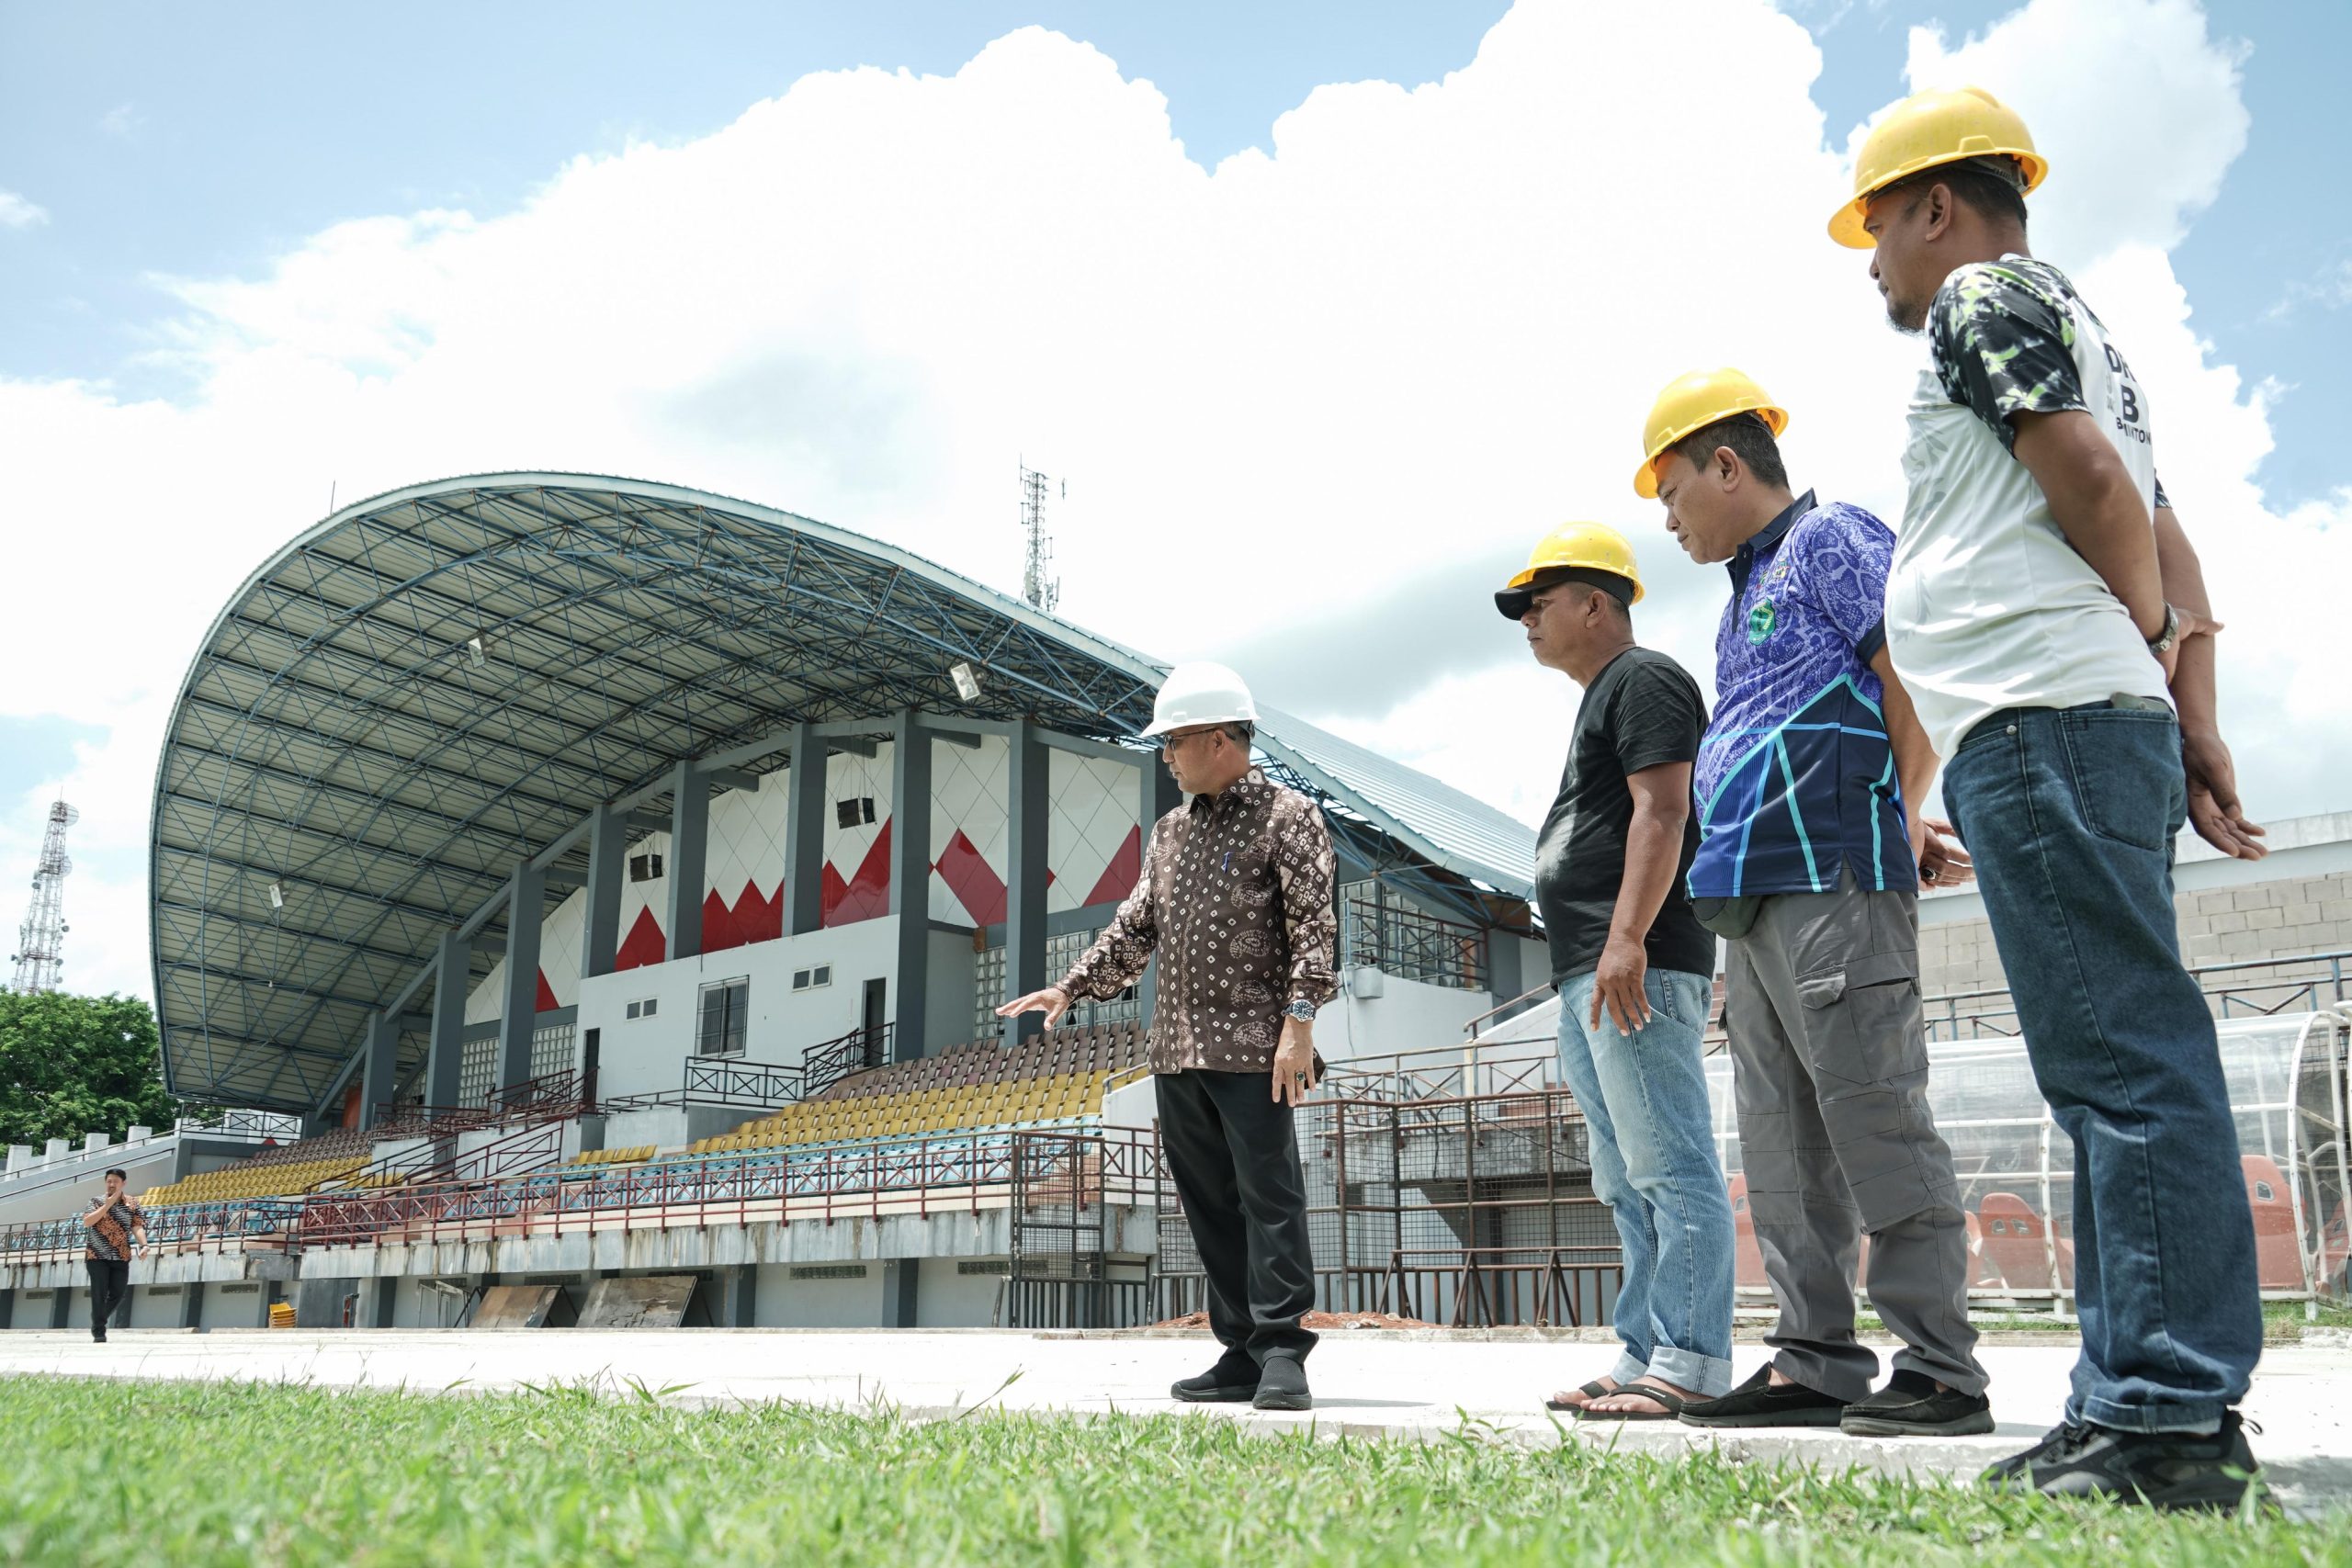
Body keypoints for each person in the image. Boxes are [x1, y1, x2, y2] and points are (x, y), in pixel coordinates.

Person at [1833, 85, 2267, 1506]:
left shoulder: (1983, 299)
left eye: (1879, 230)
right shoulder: (2083, 335)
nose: (1876, 263)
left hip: (2047, 718)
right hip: (2084, 720)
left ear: (1936, 207)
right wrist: (2187, 712)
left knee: (2123, 1062)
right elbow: (2168, 533)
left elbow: (2093, 487)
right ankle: (2134, 1393)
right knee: (2112, 1062)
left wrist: (2135, 649)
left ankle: (2164, 1415)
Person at [1634, 370, 1991, 1438]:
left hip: (1832, 877)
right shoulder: (1742, 594)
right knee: (1781, 1142)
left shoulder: (1831, 538)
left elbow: (1909, 677)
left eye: (1671, 490)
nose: (1666, 517)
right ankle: (1815, 1358)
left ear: (1727, 466)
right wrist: (1908, 811)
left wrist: (1898, 809)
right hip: (1751, 900)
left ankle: (1939, 1366)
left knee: (1874, 1116)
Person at [1000, 661, 1337, 1413]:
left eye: (1176, 740)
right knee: (1208, 1204)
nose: (1167, 755)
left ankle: (1284, 1349)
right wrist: (1072, 984)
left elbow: (1316, 931)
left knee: (1268, 1197)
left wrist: (1299, 1026)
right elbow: (1135, 927)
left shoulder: (1290, 816)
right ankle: (1242, 1350)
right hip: (1177, 1051)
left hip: (1257, 1049)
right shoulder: (1171, 831)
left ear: (1222, 739)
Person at [1493, 525, 1736, 1423]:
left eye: (1539, 603)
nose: (1527, 621)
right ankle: (1642, 1349)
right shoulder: (1601, 696)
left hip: (1636, 960)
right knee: (1622, 1175)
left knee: (1670, 1163)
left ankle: (1691, 1363)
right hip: (1588, 968)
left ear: (1596, 603)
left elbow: (1664, 810)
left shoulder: (1644, 680)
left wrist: (1628, 935)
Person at [82, 1167, 148, 1343]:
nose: (111, 1184)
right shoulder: (96, 1201)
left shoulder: (132, 1203)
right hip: (97, 1255)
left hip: (121, 1255)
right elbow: (88, 1222)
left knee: (118, 1293)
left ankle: (98, 1316)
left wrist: (144, 1245)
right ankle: (99, 1331)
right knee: (99, 1293)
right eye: (109, 1181)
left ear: (123, 1183)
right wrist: (108, 1204)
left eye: (115, 1181)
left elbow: (137, 1226)